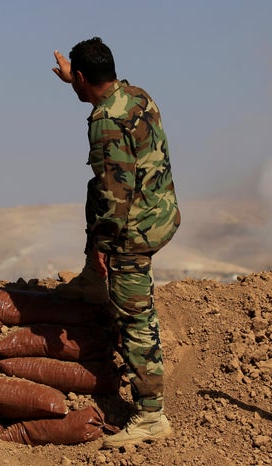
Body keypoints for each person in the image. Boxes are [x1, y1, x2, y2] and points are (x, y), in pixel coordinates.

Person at [51, 37, 180, 448]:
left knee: (136, 320)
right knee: (95, 189)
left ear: (85, 77)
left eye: (77, 80)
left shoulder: (105, 122)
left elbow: (115, 194)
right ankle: (93, 280)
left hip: (134, 230)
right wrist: (78, 80)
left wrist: (105, 248)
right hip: (160, 212)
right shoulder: (135, 96)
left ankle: (150, 415)